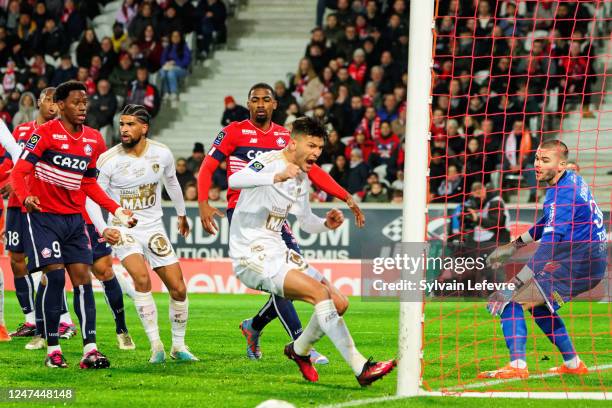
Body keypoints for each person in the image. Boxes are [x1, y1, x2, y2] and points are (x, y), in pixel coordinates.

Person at [198, 83, 365, 364]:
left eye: (266, 99)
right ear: (248, 104)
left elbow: (313, 173)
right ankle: (301, 342)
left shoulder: (286, 138)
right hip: (244, 211)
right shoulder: (234, 131)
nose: (260, 104)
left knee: (291, 277)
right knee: (281, 275)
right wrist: (203, 201)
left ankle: (254, 326)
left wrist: (344, 195)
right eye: (255, 100)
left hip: (276, 212)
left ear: (275, 104)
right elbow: (209, 167)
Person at [228, 116, 395, 384]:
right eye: (312, 146)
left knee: (340, 302)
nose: (317, 153)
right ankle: (361, 367)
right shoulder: (269, 162)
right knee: (319, 294)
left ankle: (298, 350)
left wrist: (327, 225)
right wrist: (276, 175)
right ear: (293, 143)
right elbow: (235, 180)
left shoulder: (301, 177)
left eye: (320, 147)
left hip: (277, 248)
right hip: (250, 253)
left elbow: (305, 222)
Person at [9, 81, 136, 368]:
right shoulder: (44, 134)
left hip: (75, 221)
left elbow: (89, 182)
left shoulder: (93, 139)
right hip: (44, 219)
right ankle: (52, 348)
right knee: (54, 278)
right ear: (60, 104)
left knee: (83, 281)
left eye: (85, 102)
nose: (83, 107)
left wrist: (116, 210)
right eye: (76, 102)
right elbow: (19, 172)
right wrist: (26, 195)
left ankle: (90, 348)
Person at [480, 140, 607, 379]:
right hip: (588, 264)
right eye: (537, 159)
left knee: (512, 300)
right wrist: (513, 246)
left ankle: (517, 367)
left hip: (577, 267)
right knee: (538, 305)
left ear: (561, 165)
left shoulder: (562, 196)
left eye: (544, 161)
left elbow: (547, 249)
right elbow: (546, 222)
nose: (537, 165)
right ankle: (573, 364)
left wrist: (513, 285)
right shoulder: (572, 180)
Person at [88, 104, 196, 363]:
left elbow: (171, 182)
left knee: (179, 288)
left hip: (154, 227)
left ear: (144, 128)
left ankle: (178, 347)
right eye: (122, 124)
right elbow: (91, 197)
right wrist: (104, 228)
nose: (123, 129)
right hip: (123, 229)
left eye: (130, 124)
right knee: (142, 280)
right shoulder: (109, 159)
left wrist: (182, 214)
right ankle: (156, 345)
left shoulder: (162, 153)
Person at [1, 88, 79, 346]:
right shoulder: (21, 131)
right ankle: (31, 319)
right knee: (16, 260)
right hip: (16, 204)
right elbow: (15, 162)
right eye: (48, 100)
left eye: (57, 102)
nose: (53, 106)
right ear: (40, 103)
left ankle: (64, 320)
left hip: (41, 204)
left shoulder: (61, 133)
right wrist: (11, 180)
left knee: (48, 264)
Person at [159, 30, 191, 101]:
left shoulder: (184, 47)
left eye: (177, 36)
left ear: (180, 37)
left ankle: (174, 92)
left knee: (171, 72)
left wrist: (175, 63)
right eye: (173, 36)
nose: (175, 38)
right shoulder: (168, 47)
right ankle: (166, 92)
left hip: (181, 68)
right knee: (162, 72)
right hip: (169, 66)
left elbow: (186, 61)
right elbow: (162, 60)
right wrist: (166, 63)